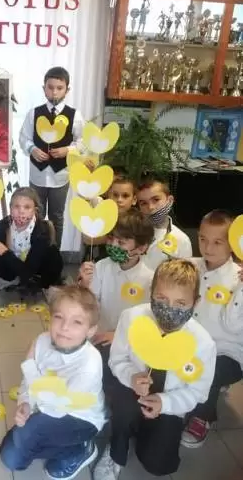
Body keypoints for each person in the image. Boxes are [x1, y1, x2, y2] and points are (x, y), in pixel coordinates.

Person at [94, 259, 216, 479]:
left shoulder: (203, 343)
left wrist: (165, 403)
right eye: (162, 299)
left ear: (196, 303)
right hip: (131, 390)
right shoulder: (131, 318)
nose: (169, 308)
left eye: (181, 303)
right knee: (123, 408)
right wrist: (131, 377)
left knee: (158, 465)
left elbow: (198, 392)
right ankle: (116, 451)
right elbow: (117, 359)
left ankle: (143, 431)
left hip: (169, 403)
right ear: (151, 293)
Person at [0, 285, 106, 480]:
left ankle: (81, 449)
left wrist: (29, 366)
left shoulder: (90, 364)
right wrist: (26, 403)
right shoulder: (43, 340)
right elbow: (29, 383)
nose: (64, 327)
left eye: (77, 322)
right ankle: (47, 440)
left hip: (78, 417)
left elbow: (57, 408)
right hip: (46, 406)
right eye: (59, 317)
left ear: (91, 331)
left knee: (32, 431)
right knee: (11, 458)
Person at [181, 210, 243, 448]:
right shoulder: (190, 267)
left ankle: (202, 417)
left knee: (208, 370)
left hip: (226, 353)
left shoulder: (237, 278)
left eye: (218, 242)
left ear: (233, 243)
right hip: (189, 346)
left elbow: (233, 325)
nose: (208, 247)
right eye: (203, 239)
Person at [78, 209, 154, 387]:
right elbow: (90, 304)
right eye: (111, 239)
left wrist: (119, 335)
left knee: (116, 380)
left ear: (141, 248)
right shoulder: (102, 267)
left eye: (121, 242)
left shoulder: (150, 279)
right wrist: (84, 285)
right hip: (99, 338)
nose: (113, 245)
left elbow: (147, 321)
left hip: (129, 345)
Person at [19, 67, 84, 249]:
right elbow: (24, 138)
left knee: (57, 217)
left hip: (61, 175)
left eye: (59, 88)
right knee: (35, 216)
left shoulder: (75, 115)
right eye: (50, 87)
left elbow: (83, 141)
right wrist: (32, 149)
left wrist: (68, 150)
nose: (54, 92)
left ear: (67, 90)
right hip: (37, 175)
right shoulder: (34, 113)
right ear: (44, 88)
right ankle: (36, 253)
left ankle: (54, 254)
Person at [0, 187, 63, 292]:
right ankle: (10, 279)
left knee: (52, 255)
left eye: (27, 207)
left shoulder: (42, 230)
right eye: (16, 207)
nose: (21, 212)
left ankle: (42, 283)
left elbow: (29, 270)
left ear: (35, 211)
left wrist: (5, 252)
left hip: (36, 270)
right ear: (10, 209)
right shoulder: (3, 225)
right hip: (16, 264)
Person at [136, 177, 192, 271]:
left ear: (169, 200)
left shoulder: (182, 239)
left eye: (156, 200)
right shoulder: (131, 232)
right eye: (144, 203)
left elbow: (185, 276)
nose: (150, 207)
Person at [82, 174, 137, 263]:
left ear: (134, 200)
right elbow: (87, 239)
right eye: (115, 195)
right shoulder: (103, 217)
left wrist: (107, 237)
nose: (119, 200)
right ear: (109, 196)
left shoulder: (138, 220)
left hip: (129, 264)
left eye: (125, 196)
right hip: (103, 263)